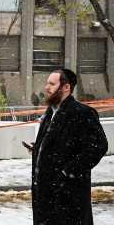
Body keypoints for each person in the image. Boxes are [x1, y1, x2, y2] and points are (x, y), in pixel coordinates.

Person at [30, 68, 108, 225]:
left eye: (52, 84)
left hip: (68, 196)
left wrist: (68, 171)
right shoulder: (50, 112)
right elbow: (59, 143)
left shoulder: (82, 113)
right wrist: (39, 149)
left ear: (66, 87)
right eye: (47, 83)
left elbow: (98, 146)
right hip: (44, 194)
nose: (47, 87)